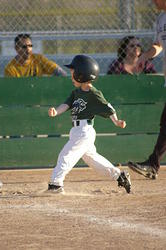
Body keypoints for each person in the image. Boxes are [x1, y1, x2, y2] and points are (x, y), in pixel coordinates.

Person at [48, 54, 131, 194]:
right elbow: (66, 105)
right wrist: (56, 111)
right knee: (93, 159)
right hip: (76, 131)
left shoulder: (94, 93)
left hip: (84, 131)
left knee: (66, 155)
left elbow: (108, 107)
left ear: (82, 74)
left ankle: (56, 184)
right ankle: (120, 176)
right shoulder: (76, 92)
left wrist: (116, 121)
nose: (71, 75)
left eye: (73, 72)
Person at [128, 0, 166, 179]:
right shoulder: (160, 19)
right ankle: (153, 164)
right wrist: (145, 55)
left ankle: (153, 164)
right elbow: (159, 45)